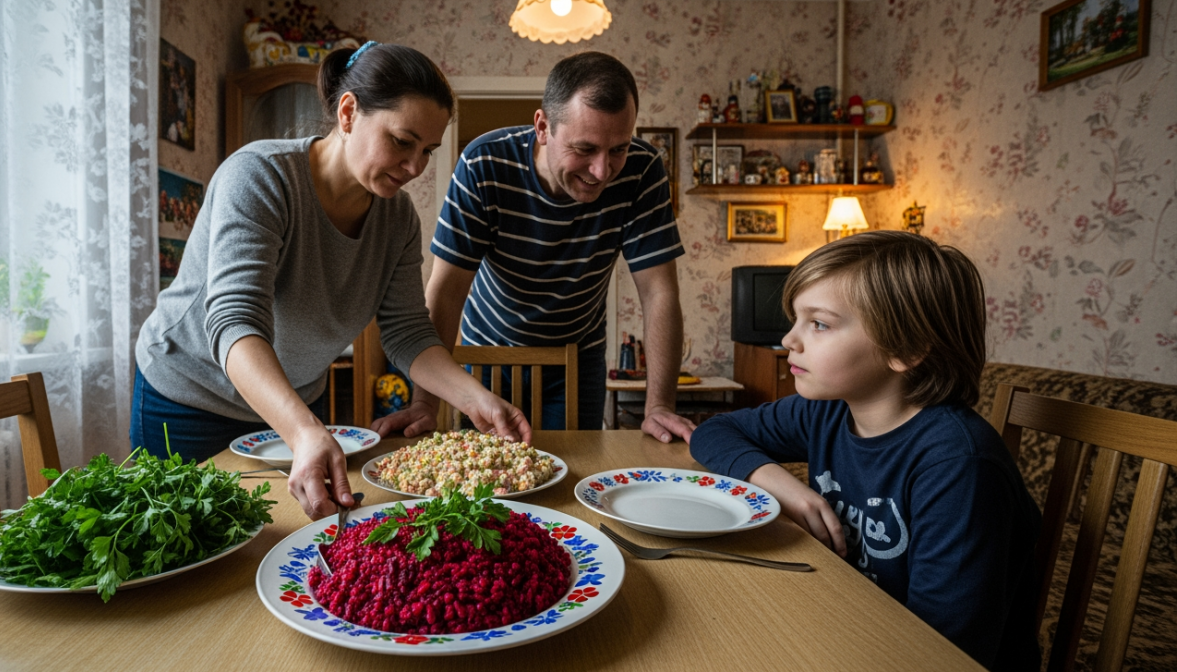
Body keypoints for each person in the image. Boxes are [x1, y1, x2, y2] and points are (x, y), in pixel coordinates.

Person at [132, 42, 531, 520]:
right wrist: (302, 431)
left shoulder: (398, 219)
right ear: (348, 113)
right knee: (189, 556)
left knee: (286, 544)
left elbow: (407, 331)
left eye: (428, 150)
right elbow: (235, 320)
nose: (415, 168)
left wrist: (476, 398)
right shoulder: (259, 176)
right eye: (402, 141)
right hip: (189, 399)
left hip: (297, 403)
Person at [689, 231, 1041, 672]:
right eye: (796, 319)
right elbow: (713, 432)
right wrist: (778, 483)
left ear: (906, 348)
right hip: (850, 620)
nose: (789, 339)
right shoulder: (828, 412)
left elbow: (943, 651)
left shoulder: (958, 466)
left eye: (818, 323)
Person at [374, 52, 697, 442]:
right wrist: (424, 404)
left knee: (572, 476)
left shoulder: (643, 169)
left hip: (578, 353)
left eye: (617, 149)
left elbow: (659, 291)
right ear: (543, 127)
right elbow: (446, 292)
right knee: (486, 479)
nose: (602, 171)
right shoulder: (482, 163)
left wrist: (659, 406)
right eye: (584, 148)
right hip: (486, 354)